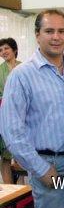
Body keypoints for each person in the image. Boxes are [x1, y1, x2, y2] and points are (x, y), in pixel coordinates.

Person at [0, 9, 64, 208]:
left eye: (61, 31)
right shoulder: (22, 76)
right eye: (49, 31)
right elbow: (11, 131)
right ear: (37, 35)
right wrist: (40, 168)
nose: (56, 37)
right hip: (51, 165)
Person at [0, 37, 22, 184]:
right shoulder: (0, 70)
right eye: (0, 50)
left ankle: (27, 191)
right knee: (5, 155)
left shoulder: (24, 66)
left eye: (6, 48)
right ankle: (10, 191)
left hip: (24, 114)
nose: (3, 52)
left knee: (24, 151)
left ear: (14, 49)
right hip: (5, 115)